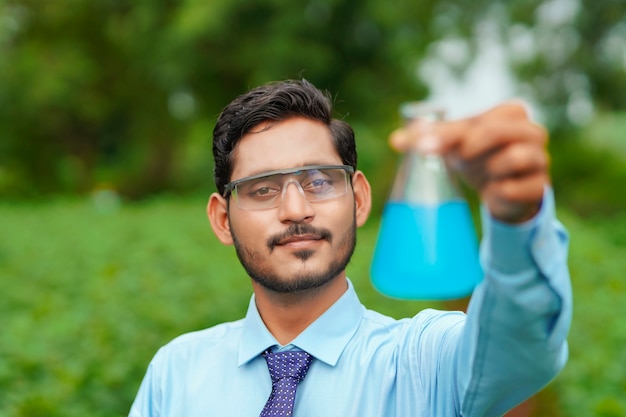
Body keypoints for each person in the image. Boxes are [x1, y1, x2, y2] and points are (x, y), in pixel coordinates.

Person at [128, 79, 572, 417]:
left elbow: (518, 347)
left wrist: (518, 220)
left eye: (319, 181)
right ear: (223, 219)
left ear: (359, 198)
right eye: (263, 189)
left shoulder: (424, 360)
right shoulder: (177, 373)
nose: (296, 209)